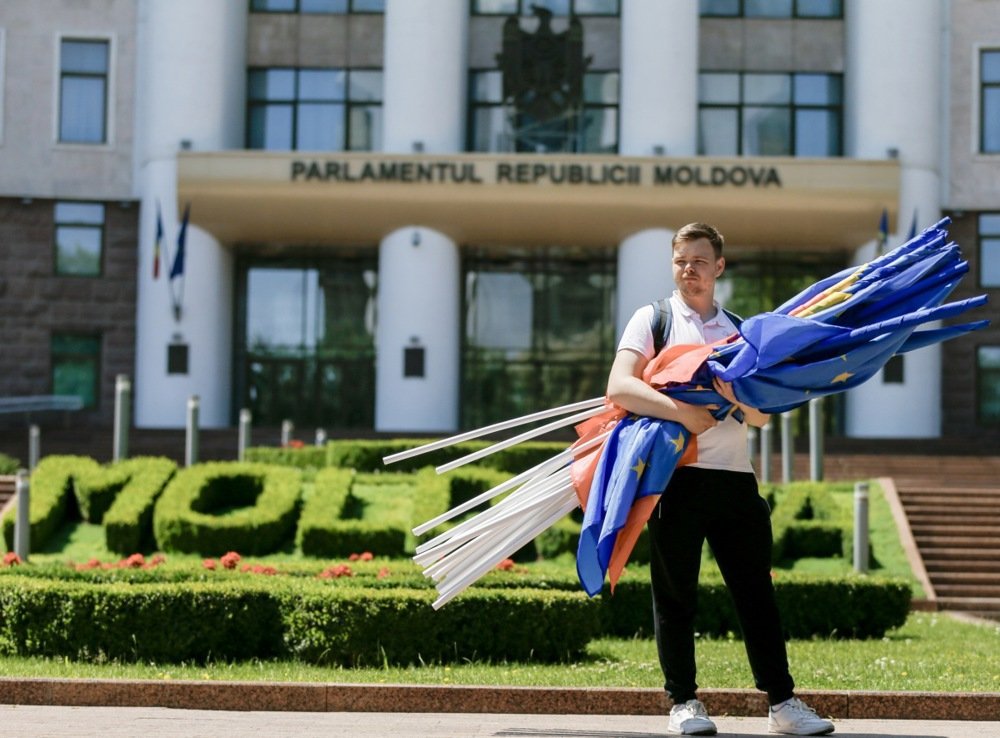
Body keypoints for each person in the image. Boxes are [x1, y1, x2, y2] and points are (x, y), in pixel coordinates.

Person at [606, 223, 835, 737]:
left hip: (735, 480)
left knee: (756, 594)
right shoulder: (655, 319)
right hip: (676, 480)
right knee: (675, 595)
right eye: (682, 261)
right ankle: (683, 703)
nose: (690, 270)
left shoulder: (739, 329)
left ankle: (783, 704)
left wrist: (735, 398)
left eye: (700, 261)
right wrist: (680, 412)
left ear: (719, 267)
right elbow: (620, 387)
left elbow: (762, 416)